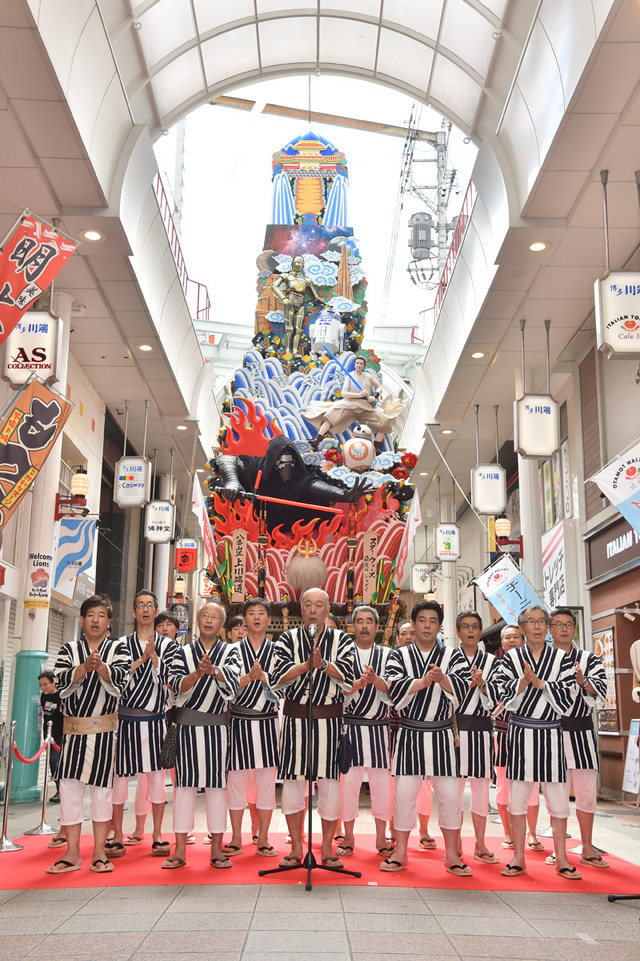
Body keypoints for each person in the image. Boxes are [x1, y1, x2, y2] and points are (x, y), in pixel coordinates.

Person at [383, 600, 472, 876]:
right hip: (410, 733)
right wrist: (421, 682)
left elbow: (463, 690)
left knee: (449, 797)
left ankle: (453, 854)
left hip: (442, 733)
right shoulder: (399, 656)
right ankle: (400, 852)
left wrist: (443, 679)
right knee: (404, 796)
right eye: (422, 620)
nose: (427, 625)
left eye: (433, 621)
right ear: (414, 623)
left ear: (440, 626)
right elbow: (393, 691)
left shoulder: (454, 656)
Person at [47, 594, 131, 875]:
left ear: (109, 623)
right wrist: (83, 668)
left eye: (101, 616)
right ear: (81, 621)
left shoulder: (118, 649)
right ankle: (71, 852)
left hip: (105, 732)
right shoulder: (68, 649)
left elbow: (122, 679)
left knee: (102, 794)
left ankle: (98, 852)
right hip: (73, 731)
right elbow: (59, 681)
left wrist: (102, 668)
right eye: (90, 615)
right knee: (69, 791)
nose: (95, 620)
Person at [271, 588, 354, 869]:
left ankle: (328, 847)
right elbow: (276, 679)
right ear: (301, 609)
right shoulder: (286, 639)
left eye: (319, 604)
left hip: (329, 721)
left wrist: (325, 665)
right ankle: (296, 847)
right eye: (308, 604)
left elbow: (350, 678)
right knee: (293, 787)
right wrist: (305, 666)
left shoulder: (342, 640)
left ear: (328, 608)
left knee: (329, 787)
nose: (314, 610)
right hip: (295, 720)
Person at [496, 606, 579, 880]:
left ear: (548, 627)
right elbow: (501, 695)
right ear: (521, 628)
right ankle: (518, 856)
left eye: (541, 621)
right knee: (518, 798)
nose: (537, 626)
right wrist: (522, 683)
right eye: (530, 622)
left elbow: (568, 698)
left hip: (552, 733)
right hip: (520, 733)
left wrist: (541, 683)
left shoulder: (562, 659)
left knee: (558, 799)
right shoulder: (510, 659)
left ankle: (562, 857)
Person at [163, 602, 241, 870]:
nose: (209, 620)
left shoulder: (231, 652)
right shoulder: (181, 652)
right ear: (197, 620)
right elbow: (173, 684)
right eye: (205, 616)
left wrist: (214, 671)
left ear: (222, 624)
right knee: (184, 789)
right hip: (186, 728)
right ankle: (180, 849)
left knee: (217, 790)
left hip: (217, 730)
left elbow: (233, 684)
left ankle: (217, 849)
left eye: (215, 617)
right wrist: (197, 673)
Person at [108, 590, 179, 859]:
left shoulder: (169, 646)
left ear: (156, 610)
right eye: (141, 605)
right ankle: (116, 835)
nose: (145, 610)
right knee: (120, 780)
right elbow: (115, 680)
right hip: (125, 719)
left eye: (150, 605)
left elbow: (172, 680)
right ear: (134, 611)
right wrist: (141, 660)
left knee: (157, 779)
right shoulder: (121, 645)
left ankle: (158, 834)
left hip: (154, 720)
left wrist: (155, 659)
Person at [546, 607, 608, 868]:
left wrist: (582, 681)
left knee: (585, 794)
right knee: (556, 793)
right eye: (558, 624)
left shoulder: (589, 659)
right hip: (552, 731)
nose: (564, 629)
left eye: (568, 624)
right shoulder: (543, 659)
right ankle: (558, 849)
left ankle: (586, 846)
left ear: (574, 628)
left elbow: (602, 691)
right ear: (550, 629)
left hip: (582, 730)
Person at [215, 435, 369, 533]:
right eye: (280, 462)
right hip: (261, 530)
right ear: (271, 461)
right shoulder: (256, 468)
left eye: (290, 462)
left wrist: (346, 495)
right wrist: (232, 481)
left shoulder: (300, 480)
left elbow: (320, 488)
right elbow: (226, 458)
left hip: (297, 534)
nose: (285, 467)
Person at [225, 598, 280, 858]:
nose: (256, 617)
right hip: (238, 720)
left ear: (269, 619)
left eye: (261, 613)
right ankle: (236, 837)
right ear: (244, 620)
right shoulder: (232, 651)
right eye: (251, 613)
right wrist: (248, 678)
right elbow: (224, 689)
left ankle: (264, 838)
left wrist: (267, 680)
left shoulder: (279, 651)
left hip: (268, 722)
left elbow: (285, 688)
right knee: (235, 782)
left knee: (267, 783)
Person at [338, 606, 393, 858]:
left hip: (380, 729)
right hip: (350, 728)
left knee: (382, 788)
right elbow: (336, 692)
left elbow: (396, 691)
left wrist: (376, 680)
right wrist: (357, 684)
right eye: (359, 621)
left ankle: (381, 837)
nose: (364, 626)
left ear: (377, 627)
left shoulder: (389, 655)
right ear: (352, 627)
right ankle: (348, 837)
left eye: (369, 621)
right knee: (348, 787)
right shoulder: (344, 655)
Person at [454, 611, 501, 864]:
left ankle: (481, 842)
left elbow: (499, 702)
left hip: (482, 728)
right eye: (465, 626)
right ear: (458, 631)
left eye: (475, 626)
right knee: (455, 788)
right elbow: (441, 696)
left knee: (481, 788)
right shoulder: (449, 659)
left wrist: (483, 685)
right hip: (456, 729)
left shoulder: (492, 662)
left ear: (480, 631)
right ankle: (456, 841)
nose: (470, 631)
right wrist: (466, 686)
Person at [493, 624, 540, 850]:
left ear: (523, 640)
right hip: (503, 734)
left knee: (531, 785)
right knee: (503, 785)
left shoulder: (537, 665)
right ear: (502, 643)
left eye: (516, 637)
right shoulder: (495, 667)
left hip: (531, 734)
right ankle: (508, 832)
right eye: (507, 637)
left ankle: (532, 833)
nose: (512, 640)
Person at [307, 355, 393, 454]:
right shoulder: (350, 376)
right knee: (331, 415)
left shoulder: (368, 377)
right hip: (350, 403)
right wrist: (359, 395)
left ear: (364, 365)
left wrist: (374, 396)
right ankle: (317, 440)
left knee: (384, 419)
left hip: (366, 405)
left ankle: (377, 446)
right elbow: (344, 393)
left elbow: (379, 387)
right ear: (354, 365)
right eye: (357, 363)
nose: (359, 365)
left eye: (361, 363)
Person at [270, 253, 323, 355]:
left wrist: (323, 303)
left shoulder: (306, 280)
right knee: (289, 328)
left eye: (301, 263)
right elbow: (274, 286)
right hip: (289, 301)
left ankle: (295, 350)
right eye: (297, 262)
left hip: (301, 303)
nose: (298, 264)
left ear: (303, 265)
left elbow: (316, 296)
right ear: (292, 263)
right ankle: (287, 350)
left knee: (298, 329)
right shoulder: (286, 276)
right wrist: (283, 298)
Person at [38, 671, 63, 802]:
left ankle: (62, 791)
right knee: (52, 763)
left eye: (45, 684)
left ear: (53, 683)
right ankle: (61, 790)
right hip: (49, 734)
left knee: (55, 760)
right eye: (41, 685)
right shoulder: (43, 696)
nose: (43, 687)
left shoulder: (61, 696)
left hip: (61, 736)